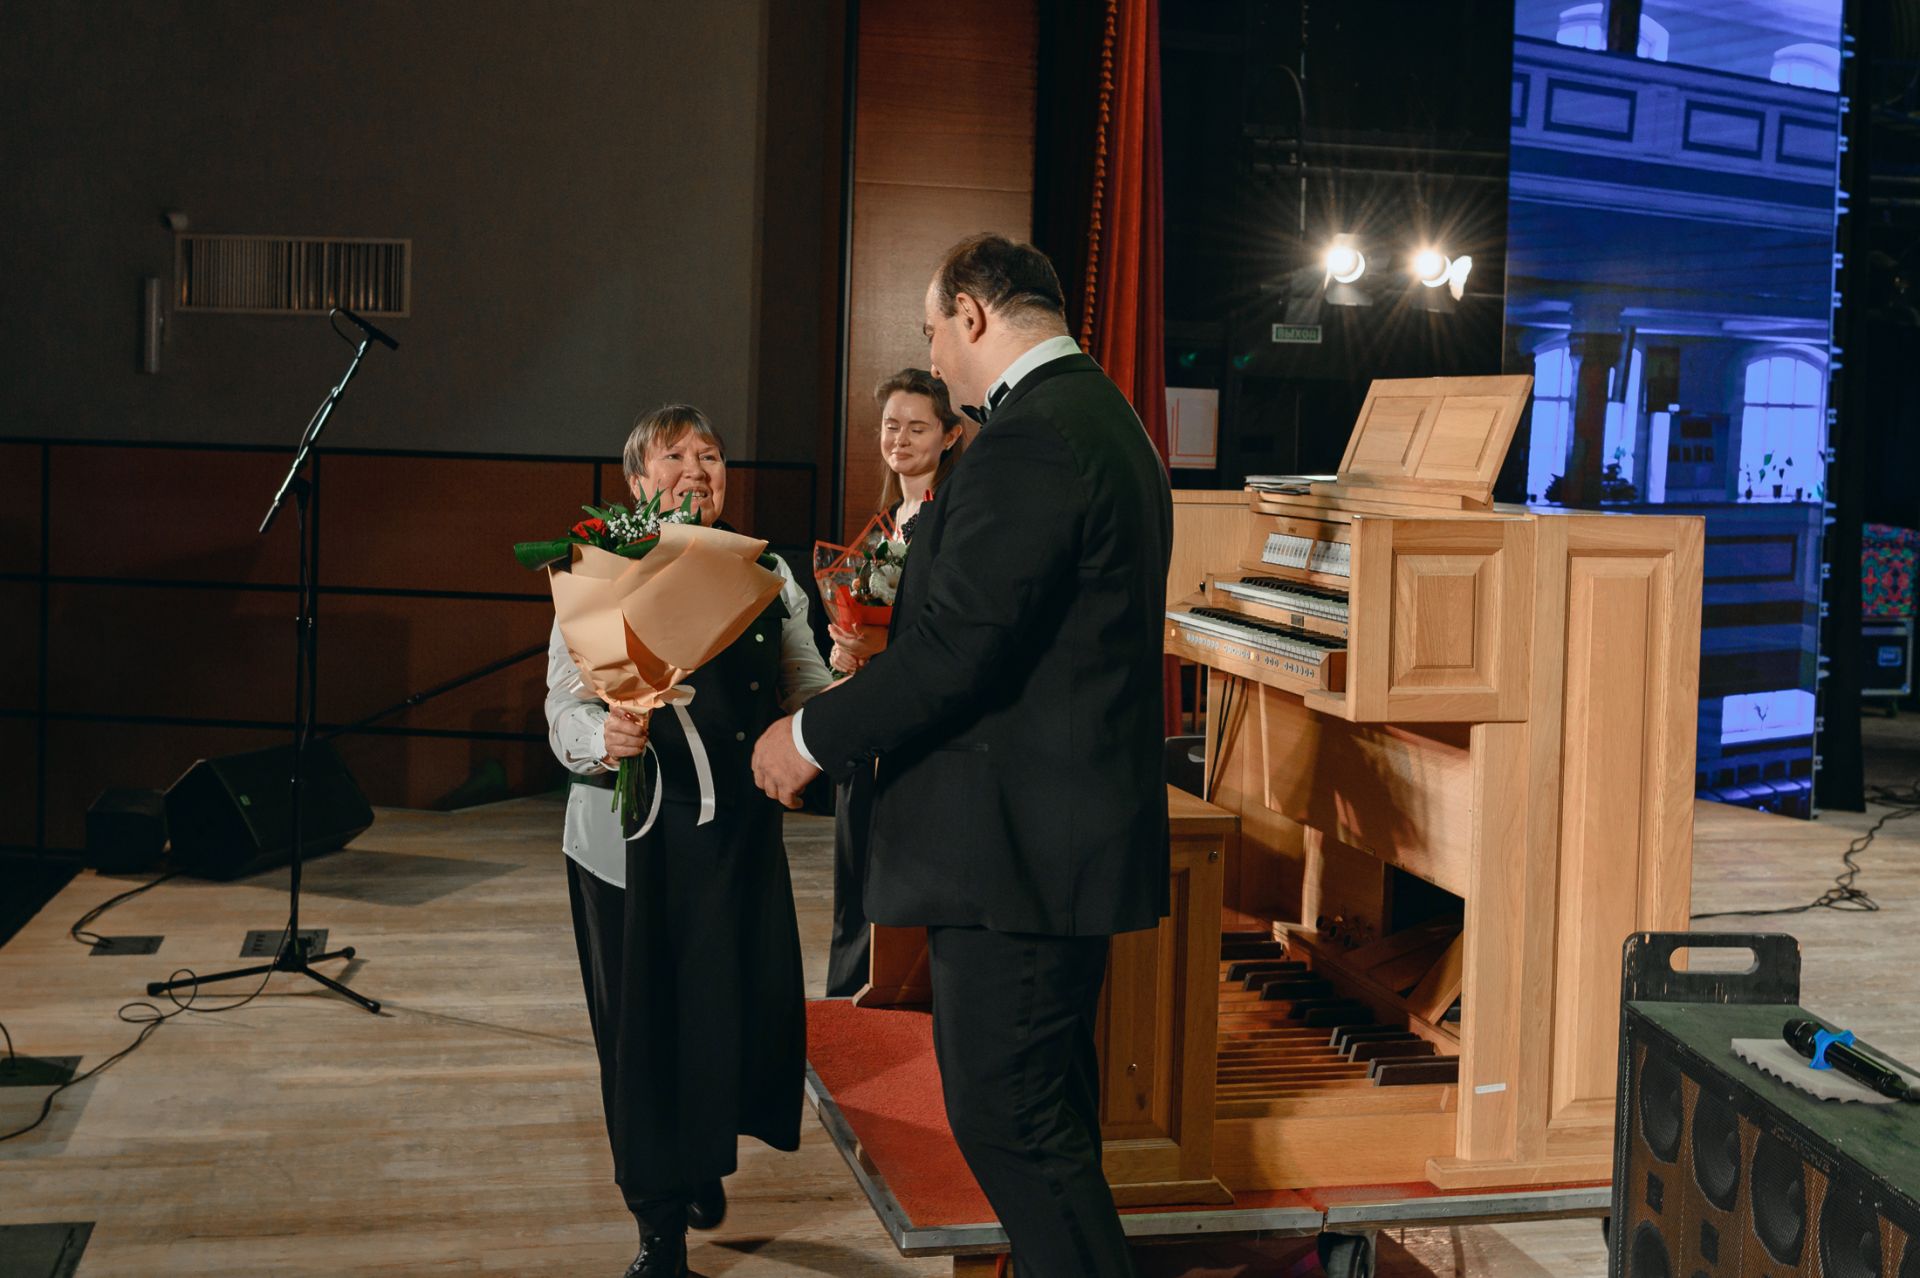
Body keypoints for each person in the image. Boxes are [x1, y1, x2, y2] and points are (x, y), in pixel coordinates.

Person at [751, 234, 1173, 1277]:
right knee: (1045, 1125)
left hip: (1018, 860)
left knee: (1011, 1122)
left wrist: (808, 736)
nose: (934, 356)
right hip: (1045, 847)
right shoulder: (1102, 418)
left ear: (974, 315)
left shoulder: (1035, 437)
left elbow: (955, 653)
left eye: (933, 330)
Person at [546, 404, 834, 1278]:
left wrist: (849, 689)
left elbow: (803, 684)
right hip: (627, 841)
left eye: (710, 455)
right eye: (674, 457)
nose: (697, 470)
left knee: (730, 1010)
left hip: (735, 834)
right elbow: (563, 707)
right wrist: (605, 737)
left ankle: (703, 1155)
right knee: (643, 1033)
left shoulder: (768, 573)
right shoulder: (599, 569)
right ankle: (658, 1221)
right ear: (638, 481)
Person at [823, 367, 966, 999]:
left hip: (917, 718)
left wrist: (880, 646)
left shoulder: (951, 519)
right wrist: (846, 649)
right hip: (870, 705)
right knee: (853, 861)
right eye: (891, 426)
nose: (899, 440)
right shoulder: (887, 520)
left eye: (917, 427)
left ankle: (890, 993)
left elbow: (947, 634)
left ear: (950, 435)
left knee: (896, 865)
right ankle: (848, 992)